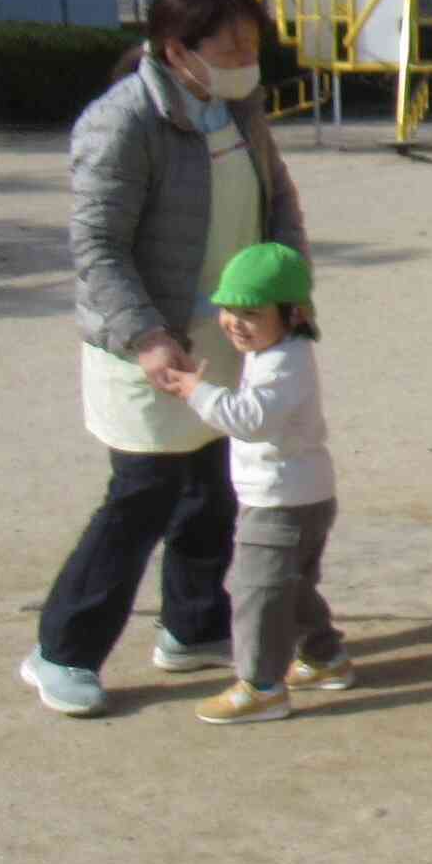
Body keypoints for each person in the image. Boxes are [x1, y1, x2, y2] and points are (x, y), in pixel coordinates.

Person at [23, 0, 307, 720]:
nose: (248, 57)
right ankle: (61, 648)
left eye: (253, 42)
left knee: (213, 484)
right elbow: (98, 245)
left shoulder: (239, 107)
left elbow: (277, 201)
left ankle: (192, 624)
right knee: (143, 496)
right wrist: (147, 336)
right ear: (178, 51)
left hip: (227, 332)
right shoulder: (120, 123)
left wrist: (289, 296)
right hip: (146, 343)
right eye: (232, 44)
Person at [171, 242, 346, 724]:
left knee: (255, 589)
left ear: (293, 314)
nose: (234, 323)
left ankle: (261, 686)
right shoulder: (274, 350)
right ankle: (323, 655)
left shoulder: (285, 363)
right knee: (291, 585)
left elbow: (250, 420)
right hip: (296, 493)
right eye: (228, 310)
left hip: (281, 501)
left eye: (251, 313)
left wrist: (195, 390)